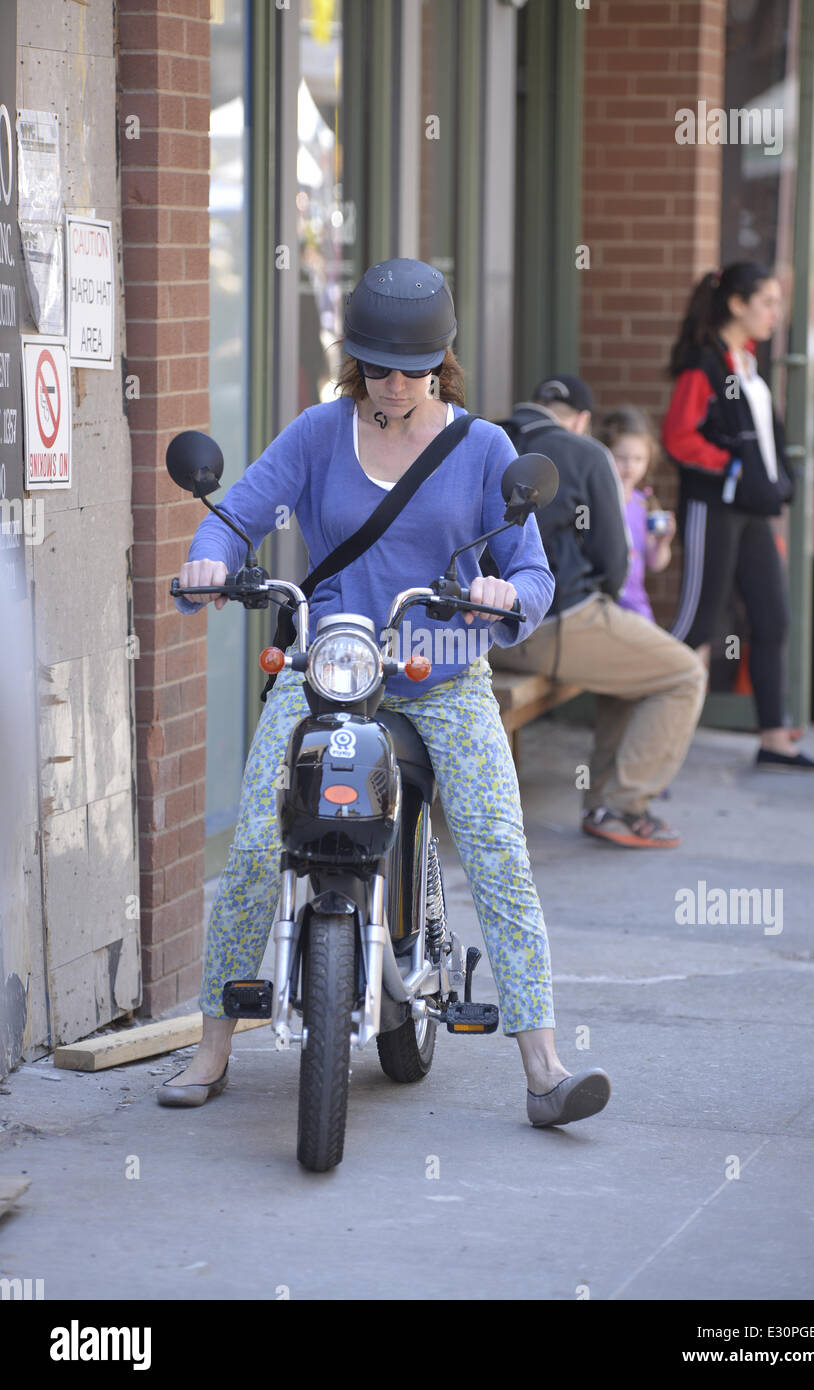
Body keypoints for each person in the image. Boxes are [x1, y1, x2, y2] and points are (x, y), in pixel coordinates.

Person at [159, 259, 611, 1128]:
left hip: (441, 673)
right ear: (352, 359)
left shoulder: (483, 449)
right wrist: (210, 557)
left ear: (442, 359)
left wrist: (504, 594)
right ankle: (212, 1045)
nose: (393, 384)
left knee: (497, 852)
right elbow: (239, 509)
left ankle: (545, 1069)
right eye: (375, 366)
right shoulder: (320, 432)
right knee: (255, 843)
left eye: (412, 368)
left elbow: (532, 571)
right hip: (330, 665)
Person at [490, 375, 707, 849]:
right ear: (583, 420)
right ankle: (623, 807)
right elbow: (614, 563)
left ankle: (606, 800)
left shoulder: (485, 436)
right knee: (683, 674)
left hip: (470, 624)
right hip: (550, 624)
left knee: (636, 669)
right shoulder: (586, 453)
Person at [662, 262, 814, 771]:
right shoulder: (704, 365)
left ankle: (775, 739)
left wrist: (767, 479)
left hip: (751, 511)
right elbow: (679, 437)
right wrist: (732, 468)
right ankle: (657, 741)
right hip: (713, 507)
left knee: (772, 618)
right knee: (698, 625)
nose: (778, 314)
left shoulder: (748, 363)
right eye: (769, 303)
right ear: (737, 304)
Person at [596, 405, 675, 623]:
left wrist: (662, 543)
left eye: (639, 459)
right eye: (621, 457)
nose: (630, 466)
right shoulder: (598, 499)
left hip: (636, 604)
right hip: (603, 602)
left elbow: (655, 563)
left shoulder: (644, 502)